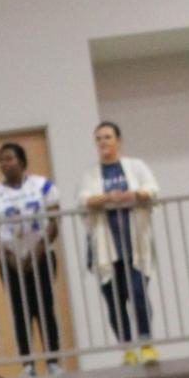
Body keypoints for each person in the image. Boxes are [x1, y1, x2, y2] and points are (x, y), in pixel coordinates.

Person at [79, 122, 159, 364]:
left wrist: (134, 195)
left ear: (118, 140)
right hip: (106, 248)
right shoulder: (90, 174)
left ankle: (146, 343)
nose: (103, 142)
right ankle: (127, 349)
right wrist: (107, 198)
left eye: (107, 137)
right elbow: (83, 199)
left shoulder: (136, 166)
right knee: (115, 300)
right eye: (99, 138)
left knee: (137, 293)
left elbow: (152, 189)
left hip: (134, 244)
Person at [0, 142, 61, 375]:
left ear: (22, 161)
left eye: (9, 159)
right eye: (1, 160)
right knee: (20, 311)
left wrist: (36, 252)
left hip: (41, 256)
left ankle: (53, 360)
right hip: (11, 261)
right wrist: (8, 256)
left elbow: (54, 221)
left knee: (44, 307)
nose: (5, 164)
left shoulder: (43, 186)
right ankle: (27, 364)